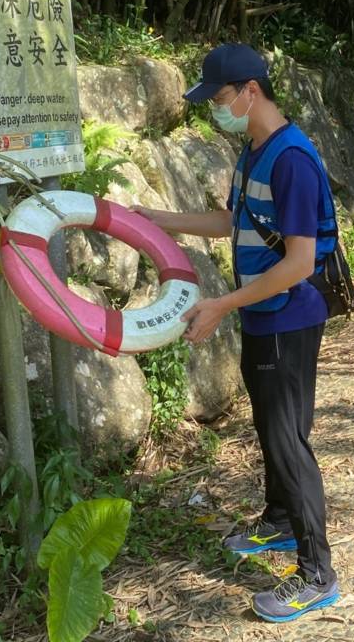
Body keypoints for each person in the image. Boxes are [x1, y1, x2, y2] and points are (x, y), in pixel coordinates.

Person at [133, 43, 341, 623]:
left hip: (289, 318)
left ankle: (317, 573)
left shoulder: (292, 160)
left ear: (251, 91)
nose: (215, 110)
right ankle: (278, 522)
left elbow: (299, 263)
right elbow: (233, 221)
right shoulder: (254, 149)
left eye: (221, 98)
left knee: (287, 440)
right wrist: (159, 220)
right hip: (262, 315)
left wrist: (221, 304)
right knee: (272, 425)